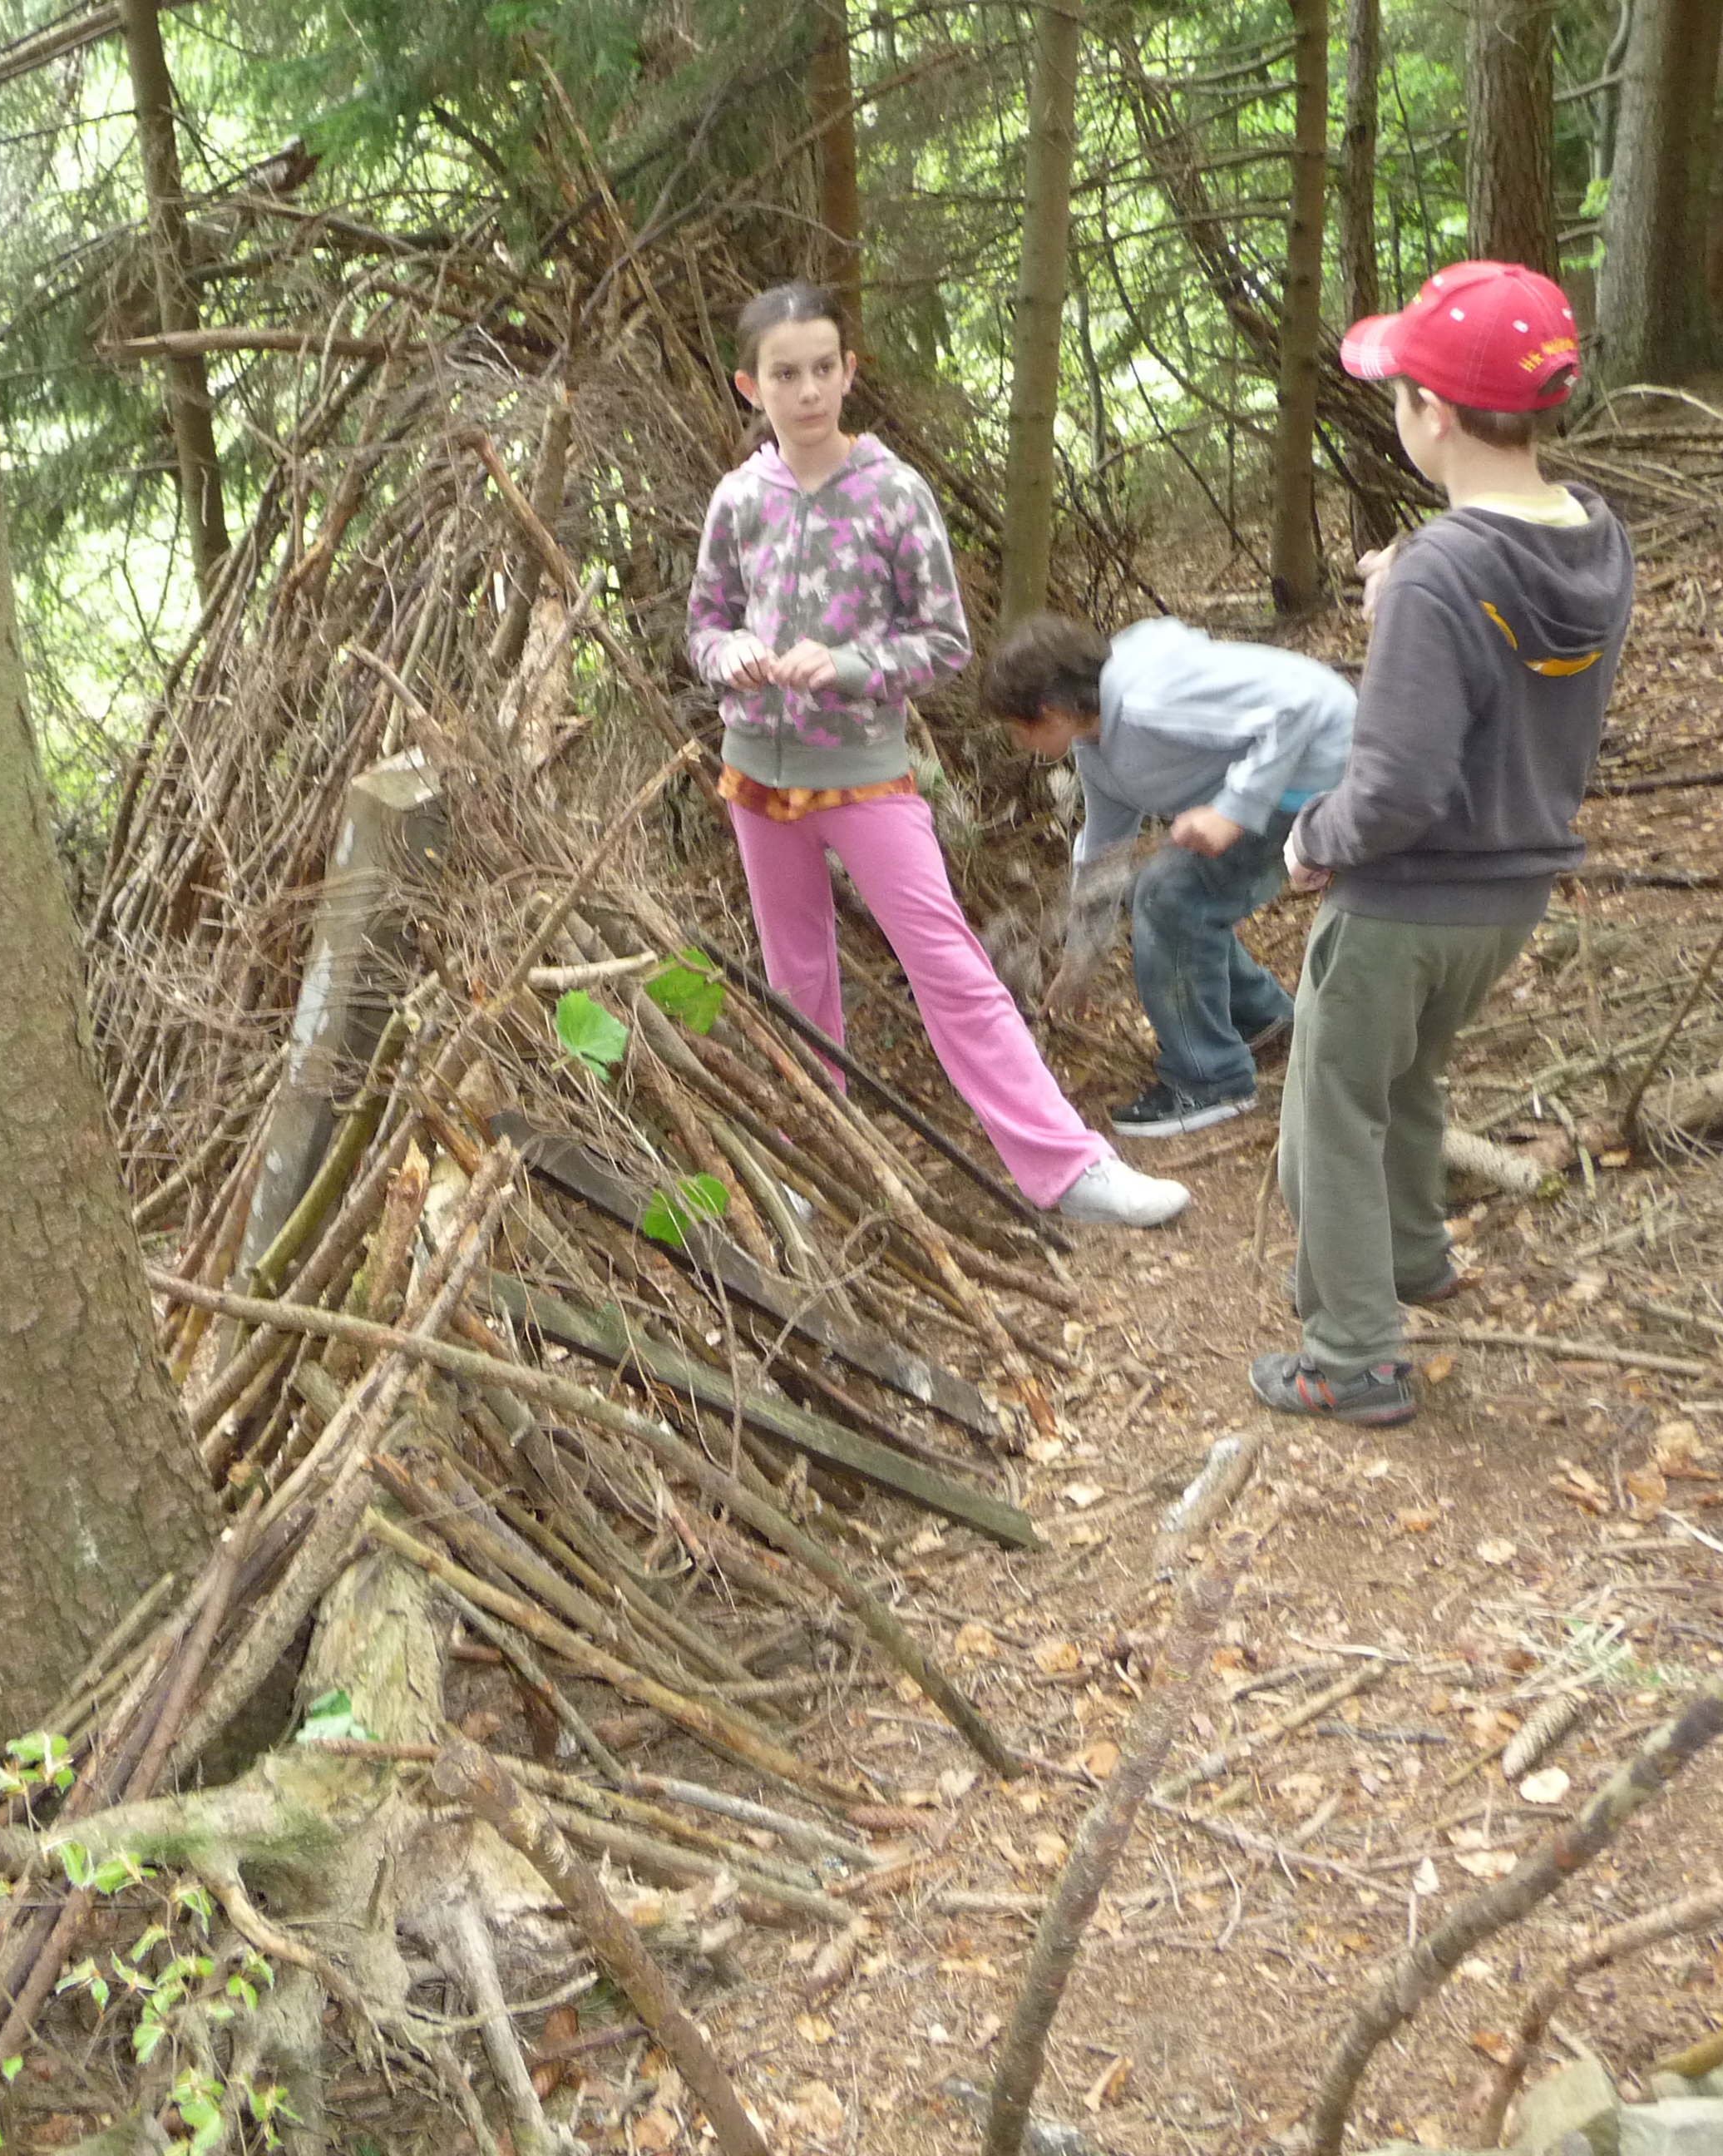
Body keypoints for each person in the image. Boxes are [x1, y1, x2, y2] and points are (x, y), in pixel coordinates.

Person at [684, 280, 1191, 1229]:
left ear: (849, 372)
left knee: (950, 968)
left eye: (823, 369)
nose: (807, 391)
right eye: (785, 375)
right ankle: (811, 1169)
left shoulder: (894, 494)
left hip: (866, 778)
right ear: (750, 386)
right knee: (797, 983)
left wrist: (847, 666)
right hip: (756, 778)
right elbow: (705, 624)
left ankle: (1069, 1167)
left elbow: (945, 643)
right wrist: (732, 656)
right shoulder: (738, 500)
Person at [1252, 260, 1633, 1425]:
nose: (1398, 410)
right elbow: (1500, 620)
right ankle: (1414, 1255)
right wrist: (1408, 587)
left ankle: (1353, 1355)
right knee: (1410, 1078)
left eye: (1401, 393)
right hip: (1509, 897)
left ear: (1434, 414)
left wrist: (1313, 839)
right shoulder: (1594, 542)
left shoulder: (1439, 573)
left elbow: (1400, 788)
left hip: (1400, 900)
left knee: (1329, 1113)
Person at [984, 612, 1356, 1137]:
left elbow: (1297, 705)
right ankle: (1260, 1017)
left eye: (1018, 729)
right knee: (1159, 890)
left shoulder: (1148, 700)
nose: (1017, 742)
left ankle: (1211, 1080)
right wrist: (1081, 957)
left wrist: (1232, 811)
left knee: (1170, 894)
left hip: (1321, 771)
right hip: (1281, 778)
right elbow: (1105, 849)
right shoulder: (1096, 745)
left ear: (1051, 711)